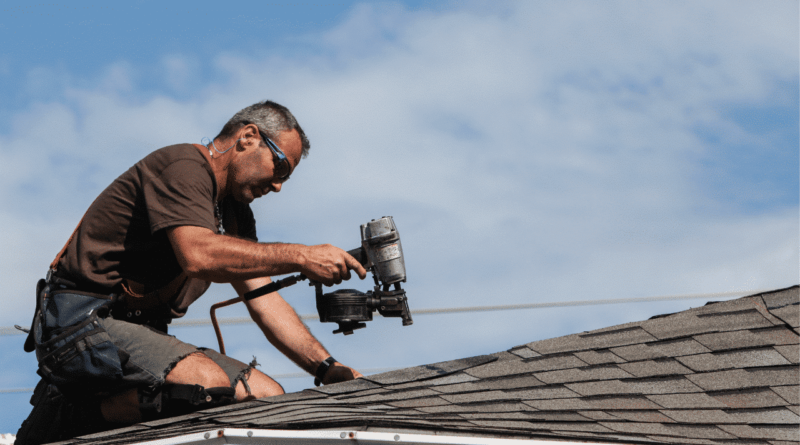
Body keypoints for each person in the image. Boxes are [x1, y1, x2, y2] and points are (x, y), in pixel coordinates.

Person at [17, 100, 367, 443]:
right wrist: (302, 256)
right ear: (247, 137)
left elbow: (264, 301)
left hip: (133, 333)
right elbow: (197, 254)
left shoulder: (235, 213)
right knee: (203, 383)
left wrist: (326, 367)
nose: (278, 185)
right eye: (280, 168)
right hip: (80, 326)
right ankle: (66, 414)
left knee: (266, 399)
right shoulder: (182, 166)